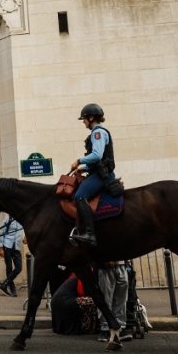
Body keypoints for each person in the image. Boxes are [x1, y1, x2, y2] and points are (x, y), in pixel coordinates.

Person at [68, 103, 119, 247]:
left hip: (103, 176)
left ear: (91, 118)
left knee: (80, 196)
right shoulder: (96, 133)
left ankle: (89, 234)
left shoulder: (98, 133)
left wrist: (78, 161)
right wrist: (83, 169)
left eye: (84, 119)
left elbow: (97, 155)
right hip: (98, 172)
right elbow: (98, 160)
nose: (83, 122)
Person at [96, 260, 132, 343]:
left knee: (121, 299)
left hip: (121, 264)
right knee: (105, 299)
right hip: (105, 265)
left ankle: (120, 327)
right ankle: (105, 328)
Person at [0, 214, 23, 297]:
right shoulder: (8, 218)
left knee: (19, 268)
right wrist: (1, 248)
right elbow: (2, 232)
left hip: (16, 246)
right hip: (7, 245)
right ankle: (12, 289)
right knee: (9, 268)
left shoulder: (21, 217)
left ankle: (4, 285)